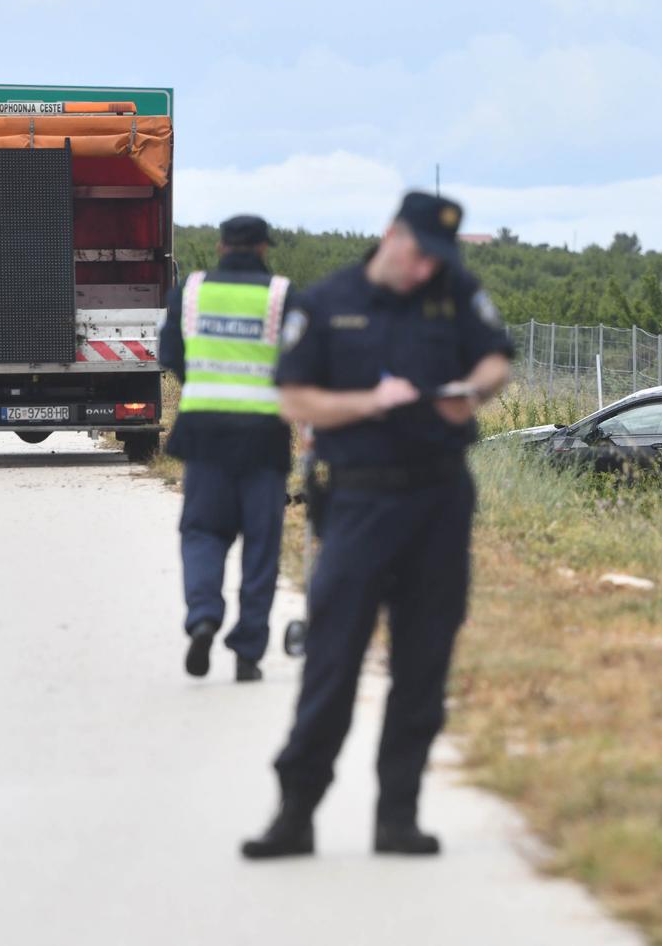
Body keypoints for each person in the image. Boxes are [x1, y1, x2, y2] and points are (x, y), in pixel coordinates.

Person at [242, 190, 512, 859]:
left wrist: (473, 392)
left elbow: (496, 357)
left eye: (435, 260)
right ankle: (295, 813)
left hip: (440, 500)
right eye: (419, 254)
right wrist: (370, 402)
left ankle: (399, 815)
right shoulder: (328, 302)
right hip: (358, 504)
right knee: (332, 661)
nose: (425, 270)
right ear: (391, 235)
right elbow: (293, 399)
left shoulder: (454, 291)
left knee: (424, 662)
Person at [158, 214, 300, 683]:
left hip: (205, 435)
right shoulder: (281, 296)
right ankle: (247, 652)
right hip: (264, 438)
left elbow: (171, 356)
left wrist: (206, 389)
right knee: (261, 545)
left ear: (220, 247)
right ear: (263, 248)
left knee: (202, 532)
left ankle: (203, 616)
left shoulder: (192, 292)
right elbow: (302, 364)